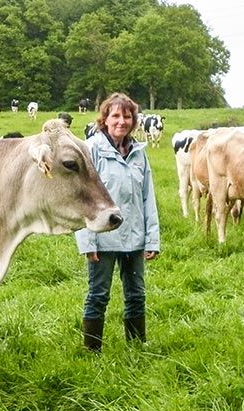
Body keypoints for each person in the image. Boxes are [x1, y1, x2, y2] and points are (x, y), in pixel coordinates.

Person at [76, 93, 161, 352]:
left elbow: (148, 198)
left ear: (134, 120)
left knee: (136, 294)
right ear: (105, 119)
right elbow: (81, 198)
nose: (121, 121)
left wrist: (152, 239)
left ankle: (136, 346)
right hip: (103, 238)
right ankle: (92, 350)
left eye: (127, 116)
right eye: (115, 115)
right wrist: (87, 241)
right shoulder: (91, 150)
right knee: (99, 294)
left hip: (135, 238)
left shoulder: (139, 153)